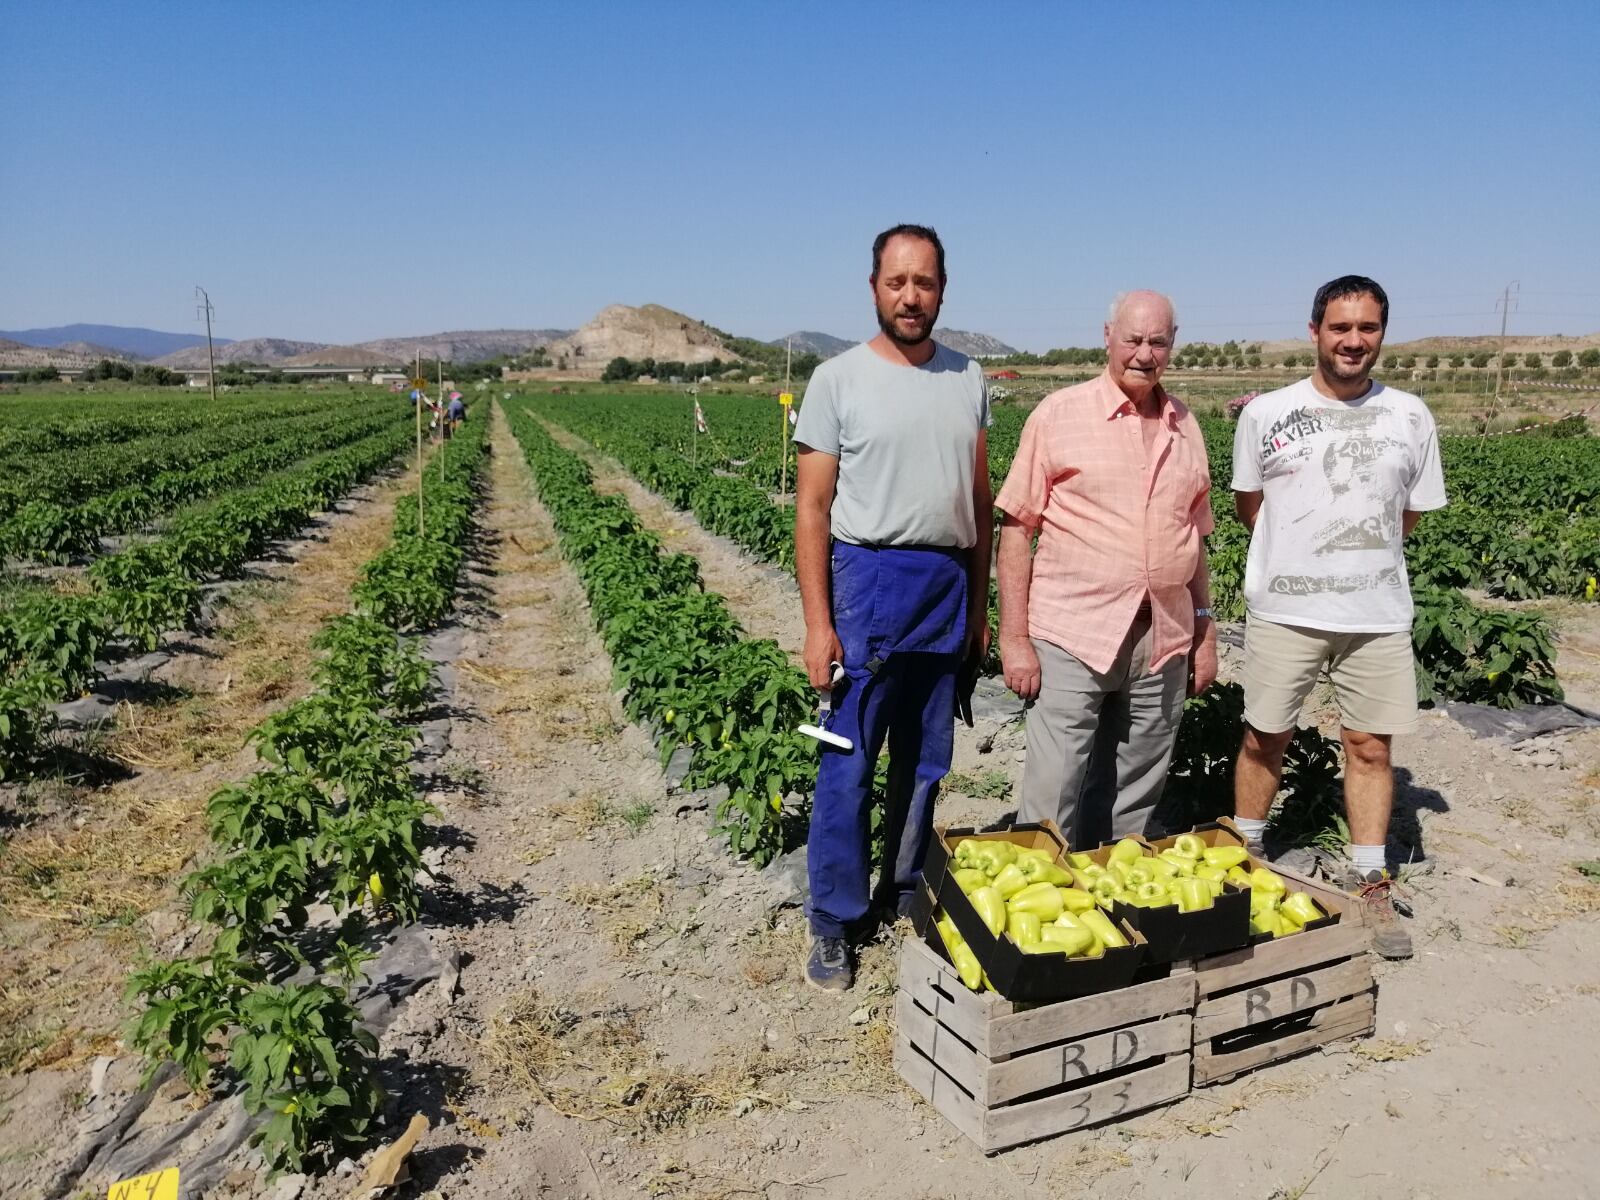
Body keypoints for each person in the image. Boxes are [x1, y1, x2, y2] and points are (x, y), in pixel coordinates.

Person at [793, 223, 992, 992]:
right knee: (847, 758)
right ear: (873, 286)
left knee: (926, 757)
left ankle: (905, 889)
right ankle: (833, 921)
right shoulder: (837, 380)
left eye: (926, 283)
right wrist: (819, 623)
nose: (912, 297)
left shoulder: (967, 378)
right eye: (897, 282)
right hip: (867, 580)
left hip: (944, 586)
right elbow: (812, 509)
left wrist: (979, 607)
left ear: (943, 288)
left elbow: (976, 498)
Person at [1230, 275, 1446, 960]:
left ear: (1382, 333)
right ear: (1316, 331)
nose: (1354, 340)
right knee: (1266, 735)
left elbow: (1404, 515)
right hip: (1285, 609)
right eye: (1340, 327)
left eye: (1368, 328)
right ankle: (1245, 849)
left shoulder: (1410, 416)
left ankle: (1369, 872)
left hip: (1376, 613)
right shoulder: (1265, 414)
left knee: (1371, 746)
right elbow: (1249, 506)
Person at [996, 292, 1217, 848]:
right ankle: (1038, 906)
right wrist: (1014, 637)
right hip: (1074, 630)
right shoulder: (1059, 414)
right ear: (1108, 336)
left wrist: (1205, 631)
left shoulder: (1186, 426)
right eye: (1133, 339)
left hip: (1162, 635)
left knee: (1134, 785)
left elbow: (1195, 539)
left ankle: (1111, 902)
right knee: (1055, 786)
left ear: (1173, 344)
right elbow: (1017, 530)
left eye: (1158, 342)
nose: (1144, 354)